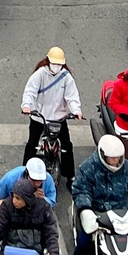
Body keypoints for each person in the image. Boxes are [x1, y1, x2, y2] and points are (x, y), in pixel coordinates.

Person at [21, 47, 82, 182]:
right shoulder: (40, 74)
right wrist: (27, 106)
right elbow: (30, 92)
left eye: (59, 64)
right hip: (39, 117)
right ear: (48, 61)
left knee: (66, 145)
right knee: (32, 144)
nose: (56, 67)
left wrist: (76, 110)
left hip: (58, 118)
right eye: (54, 63)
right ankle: (25, 172)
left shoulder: (66, 77)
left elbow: (71, 96)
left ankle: (70, 176)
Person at [0, 155, 50, 224]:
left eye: (40, 181)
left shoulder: (48, 181)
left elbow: (52, 203)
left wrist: (41, 201)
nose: (37, 183)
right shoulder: (10, 178)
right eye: (34, 180)